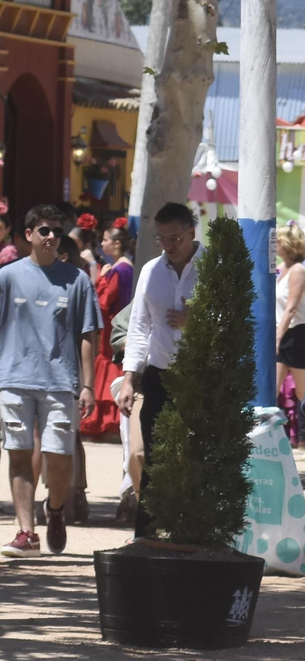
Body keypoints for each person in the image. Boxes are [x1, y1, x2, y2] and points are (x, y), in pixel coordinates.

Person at [0, 205, 98, 557]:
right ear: (28, 235)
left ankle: (55, 509)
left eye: (57, 231)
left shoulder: (77, 280)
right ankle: (27, 533)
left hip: (60, 382)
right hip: (14, 378)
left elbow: (88, 334)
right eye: (44, 230)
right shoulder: (7, 277)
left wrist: (88, 385)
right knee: (19, 453)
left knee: (59, 457)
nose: (52, 236)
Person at [115, 203, 200, 538]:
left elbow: (236, 321)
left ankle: (191, 530)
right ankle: (145, 534)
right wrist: (128, 380)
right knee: (153, 455)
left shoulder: (214, 266)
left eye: (176, 237)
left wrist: (196, 320)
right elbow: (138, 329)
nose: (169, 244)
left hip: (200, 376)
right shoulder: (151, 271)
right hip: (159, 375)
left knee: (195, 455)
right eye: (162, 238)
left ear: (192, 231)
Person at [80, 225, 134, 440]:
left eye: (105, 240)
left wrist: (98, 273)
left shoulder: (120, 269)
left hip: (112, 325)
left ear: (117, 243)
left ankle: (108, 422)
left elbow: (103, 302)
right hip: (115, 324)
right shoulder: (122, 267)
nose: (102, 244)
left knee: (110, 364)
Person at [274, 226, 305, 454]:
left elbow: (292, 308)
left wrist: (277, 337)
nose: (274, 244)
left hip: (297, 335)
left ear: (286, 244)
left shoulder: (299, 271)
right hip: (282, 333)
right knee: (269, 391)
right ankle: (272, 443)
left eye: (278, 240)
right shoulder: (281, 269)